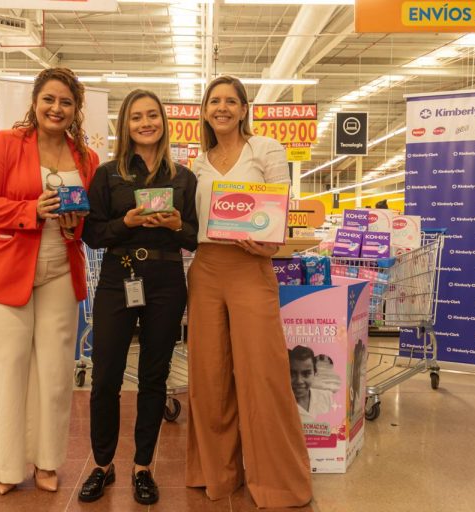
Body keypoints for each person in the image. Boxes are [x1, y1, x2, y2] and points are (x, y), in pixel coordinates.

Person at [0, 67, 99, 496]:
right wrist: (30, 210)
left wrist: (78, 224)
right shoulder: (7, 144)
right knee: (11, 368)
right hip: (7, 272)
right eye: (49, 99)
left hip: (62, 268)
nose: (56, 108)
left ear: (76, 109)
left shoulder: (87, 158)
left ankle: (48, 461)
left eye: (66, 102)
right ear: (35, 102)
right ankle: (8, 466)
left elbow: (90, 217)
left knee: (56, 372)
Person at [185, 75, 312, 508]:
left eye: (230, 101)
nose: (221, 108)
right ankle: (216, 472)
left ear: (243, 109)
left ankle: (278, 481)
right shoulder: (198, 164)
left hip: (251, 267)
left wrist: (270, 245)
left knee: (263, 375)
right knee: (210, 377)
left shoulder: (266, 149)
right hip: (205, 270)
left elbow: (280, 209)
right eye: (214, 101)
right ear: (205, 111)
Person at [78, 89, 198, 505]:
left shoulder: (183, 177)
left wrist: (177, 224)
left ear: (164, 121)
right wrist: (125, 223)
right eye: (136, 117)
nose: (146, 123)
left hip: (166, 279)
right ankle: (102, 464)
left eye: (152, 115)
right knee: (105, 376)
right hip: (119, 276)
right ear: (125, 125)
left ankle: (142, 466)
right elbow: (93, 235)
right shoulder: (108, 175)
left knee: (153, 376)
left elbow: (195, 237)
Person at [288, 345, 337, 423]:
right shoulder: (279, 406)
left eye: (306, 374)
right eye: (292, 374)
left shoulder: (327, 398)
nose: (299, 381)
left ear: (315, 373)